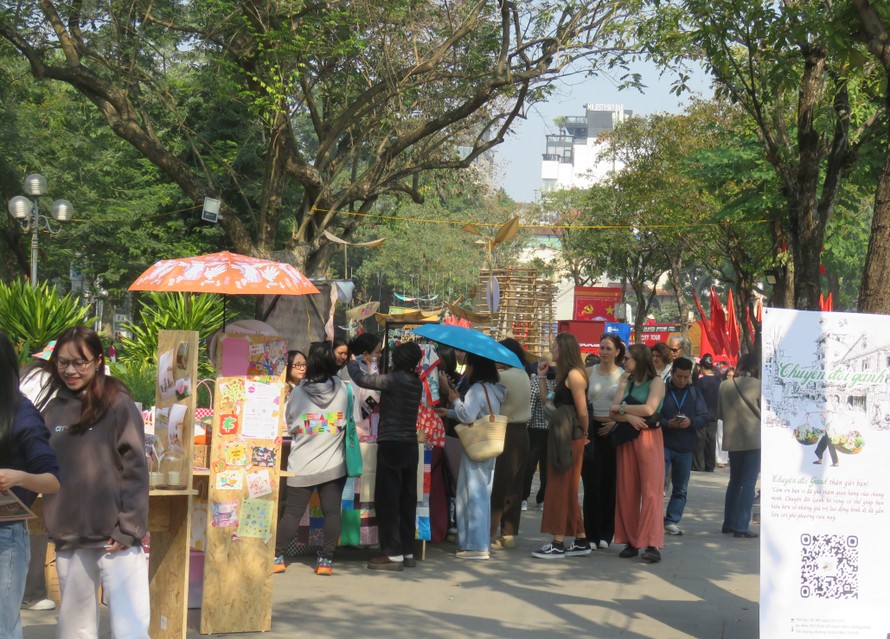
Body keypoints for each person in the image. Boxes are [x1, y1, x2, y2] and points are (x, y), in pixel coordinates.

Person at [40, 326, 150, 639]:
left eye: (80, 362)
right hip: (70, 536)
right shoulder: (53, 409)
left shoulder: (118, 404)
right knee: (75, 630)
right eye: (62, 363)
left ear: (98, 360)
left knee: (130, 629)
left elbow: (136, 468)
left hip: (116, 538)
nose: (70, 370)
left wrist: (129, 527)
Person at [274, 342, 360, 576]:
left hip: (302, 462)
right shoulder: (344, 389)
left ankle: (277, 557)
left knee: (291, 513)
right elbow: (347, 419)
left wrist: (310, 425)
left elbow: (291, 423)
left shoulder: (300, 391)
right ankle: (325, 561)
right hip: (333, 464)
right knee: (332, 512)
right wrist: (327, 425)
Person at [0, 331, 60, 639]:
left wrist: (18, 477)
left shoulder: (21, 413)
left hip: (6, 535)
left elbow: (52, 480)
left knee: (2, 625)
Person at [348, 342, 424, 571]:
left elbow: (362, 379)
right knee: (406, 500)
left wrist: (353, 361)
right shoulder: (416, 383)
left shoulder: (394, 380)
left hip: (392, 444)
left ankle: (392, 554)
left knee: (388, 500)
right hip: (410, 445)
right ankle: (407, 551)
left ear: (398, 360)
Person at [438, 352, 506, 560]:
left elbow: (467, 415)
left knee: (472, 494)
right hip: (488, 444)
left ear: (476, 367)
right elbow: (476, 414)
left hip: (476, 446)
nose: (465, 370)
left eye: (468, 366)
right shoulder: (495, 388)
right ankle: (478, 542)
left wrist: (454, 399)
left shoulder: (477, 389)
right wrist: (449, 411)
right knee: (481, 493)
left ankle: (475, 546)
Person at [532, 332, 590, 559]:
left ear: (563, 349)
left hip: (570, 437)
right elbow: (549, 402)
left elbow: (582, 411)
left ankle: (558, 541)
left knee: (560, 486)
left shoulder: (575, 375)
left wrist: (583, 433)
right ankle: (581, 539)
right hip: (562, 435)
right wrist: (541, 377)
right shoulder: (566, 373)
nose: (552, 349)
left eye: (555, 346)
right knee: (566, 488)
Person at [610, 343, 666, 563]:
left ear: (639, 360)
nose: (624, 362)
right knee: (626, 490)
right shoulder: (628, 382)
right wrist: (627, 414)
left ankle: (652, 543)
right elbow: (612, 411)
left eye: (627, 358)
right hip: (628, 438)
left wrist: (623, 410)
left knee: (651, 491)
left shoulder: (657, 382)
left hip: (649, 438)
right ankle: (631, 540)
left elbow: (649, 410)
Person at [582, 333, 625, 550]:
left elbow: (627, 405)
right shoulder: (588, 372)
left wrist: (615, 423)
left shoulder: (624, 376)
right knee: (590, 483)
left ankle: (606, 534)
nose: (604, 352)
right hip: (590, 430)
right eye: (602, 348)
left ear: (617, 351)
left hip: (612, 432)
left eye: (609, 348)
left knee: (609, 483)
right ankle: (591, 532)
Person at [489, 339, 531, 550]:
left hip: (505, 431)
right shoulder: (523, 373)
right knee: (515, 483)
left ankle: (491, 531)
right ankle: (509, 532)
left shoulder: (502, 377)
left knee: (500, 483)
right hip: (522, 432)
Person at [661, 357, 709, 536]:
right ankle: (653, 519)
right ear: (672, 373)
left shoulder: (694, 393)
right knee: (658, 485)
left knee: (681, 487)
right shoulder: (663, 390)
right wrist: (667, 423)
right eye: (678, 376)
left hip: (685, 446)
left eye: (685, 377)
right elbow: (653, 414)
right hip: (664, 443)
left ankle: (671, 520)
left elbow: (704, 416)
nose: (681, 380)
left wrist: (691, 422)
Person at [718, 353, 761, 538]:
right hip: (754, 439)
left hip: (733, 438)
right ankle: (742, 526)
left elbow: (719, 413)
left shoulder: (724, 385)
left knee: (734, 481)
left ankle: (729, 522)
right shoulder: (759, 386)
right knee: (749, 482)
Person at [522, 362, 554, 512]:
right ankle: (542, 498)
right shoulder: (559, 382)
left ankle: (523, 498)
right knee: (547, 468)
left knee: (529, 467)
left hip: (534, 431)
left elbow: (530, 406)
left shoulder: (534, 381)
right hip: (552, 430)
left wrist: (525, 427)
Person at [344, 333, 383, 440]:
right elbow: (369, 404)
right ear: (366, 354)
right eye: (378, 352)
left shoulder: (356, 368)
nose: (381, 355)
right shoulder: (358, 372)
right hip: (358, 430)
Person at [693, 354, 721, 472]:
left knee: (700, 440)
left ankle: (699, 465)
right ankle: (710, 465)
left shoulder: (700, 382)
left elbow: (695, 398)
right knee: (711, 439)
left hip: (701, 415)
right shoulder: (719, 381)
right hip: (714, 414)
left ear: (702, 367)